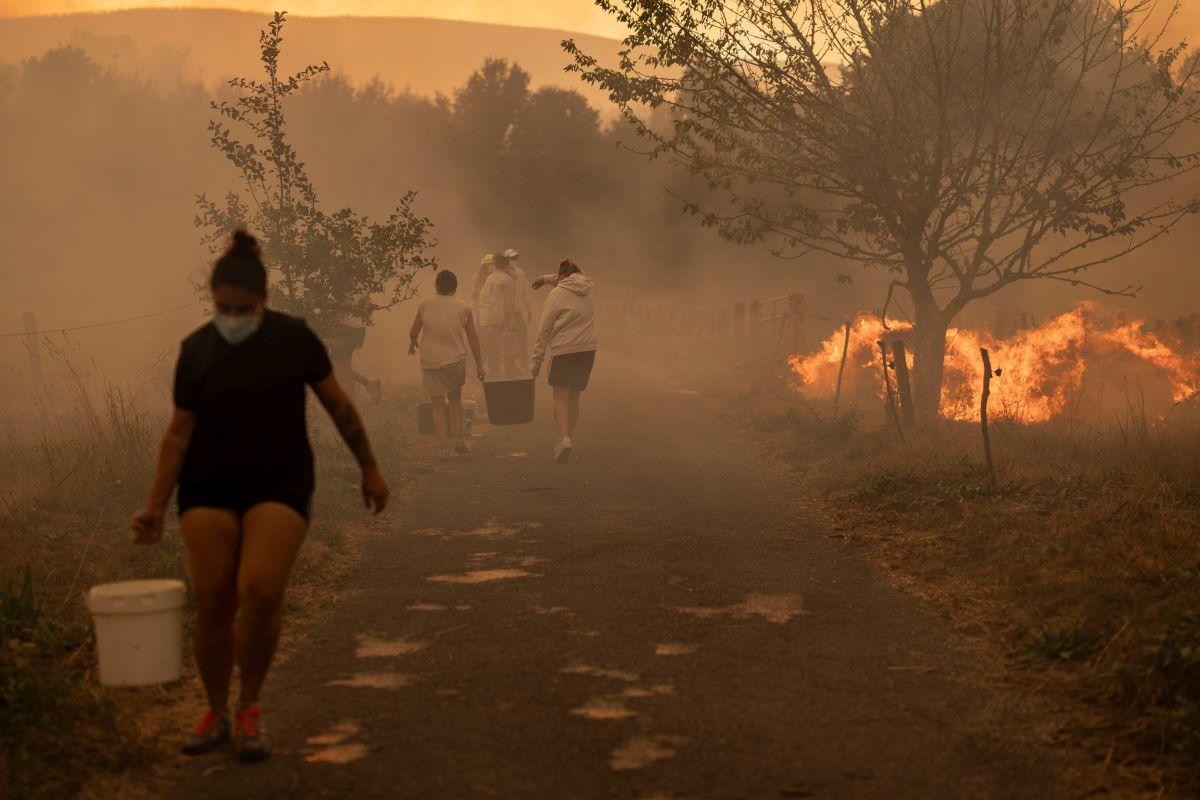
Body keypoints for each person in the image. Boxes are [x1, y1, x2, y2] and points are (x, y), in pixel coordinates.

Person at [130, 230, 389, 763]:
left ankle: (249, 707)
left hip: (280, 481)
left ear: (262, 302)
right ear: (212, 300)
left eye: (242, 309)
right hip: (209, 485)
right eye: (223, 308)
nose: (232, 317)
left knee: (262, 591)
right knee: (216, 600)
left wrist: (369, 468)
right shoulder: (196, 350)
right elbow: (179, 433)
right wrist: (154, 504)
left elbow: (339, 406)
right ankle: (216, 711)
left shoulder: (295, 340)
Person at [408, 269, 486, 457]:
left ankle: (443, 448)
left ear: (436, 286)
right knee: (455, 400)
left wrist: (413, 343)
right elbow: (473, 339)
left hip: (431, 362)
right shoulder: (464, 308)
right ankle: (458, 440)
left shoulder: (424, 304)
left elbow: (413, 331)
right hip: (454, 361)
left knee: (437, 405)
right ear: (455, 288)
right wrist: (479, 365)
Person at [530, 259, 598, 463]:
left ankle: (563, 439)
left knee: (560, 398)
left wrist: (536, 361)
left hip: (564, 350)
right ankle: (567, 438)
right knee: (574, 397)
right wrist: (548, 278)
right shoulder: (586, 288)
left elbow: (545, 329)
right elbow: (571, 278)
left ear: (561, 277)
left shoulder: (556, 295)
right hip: (587, 349)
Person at [478, 252, 517, 378]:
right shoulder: (506, 279)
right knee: (506, 349)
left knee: (492, 348)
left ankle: (495, 375)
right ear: (505, 265)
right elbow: (509, 304)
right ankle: (506, 377)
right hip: (498, 319)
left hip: (485, 319)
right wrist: (507, 322)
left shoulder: (490, 278)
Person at [503, 248, 532, 371]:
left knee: (523, 333)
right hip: (504, 312)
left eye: (516, 258)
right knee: (505, 336)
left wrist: (529, 309)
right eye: (512, 258)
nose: (515, 260)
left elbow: (526, 291)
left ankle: (524, 362)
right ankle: (506, 362)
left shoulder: (521, 273)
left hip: (518, 311)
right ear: (506, 260)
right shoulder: (501, 274)